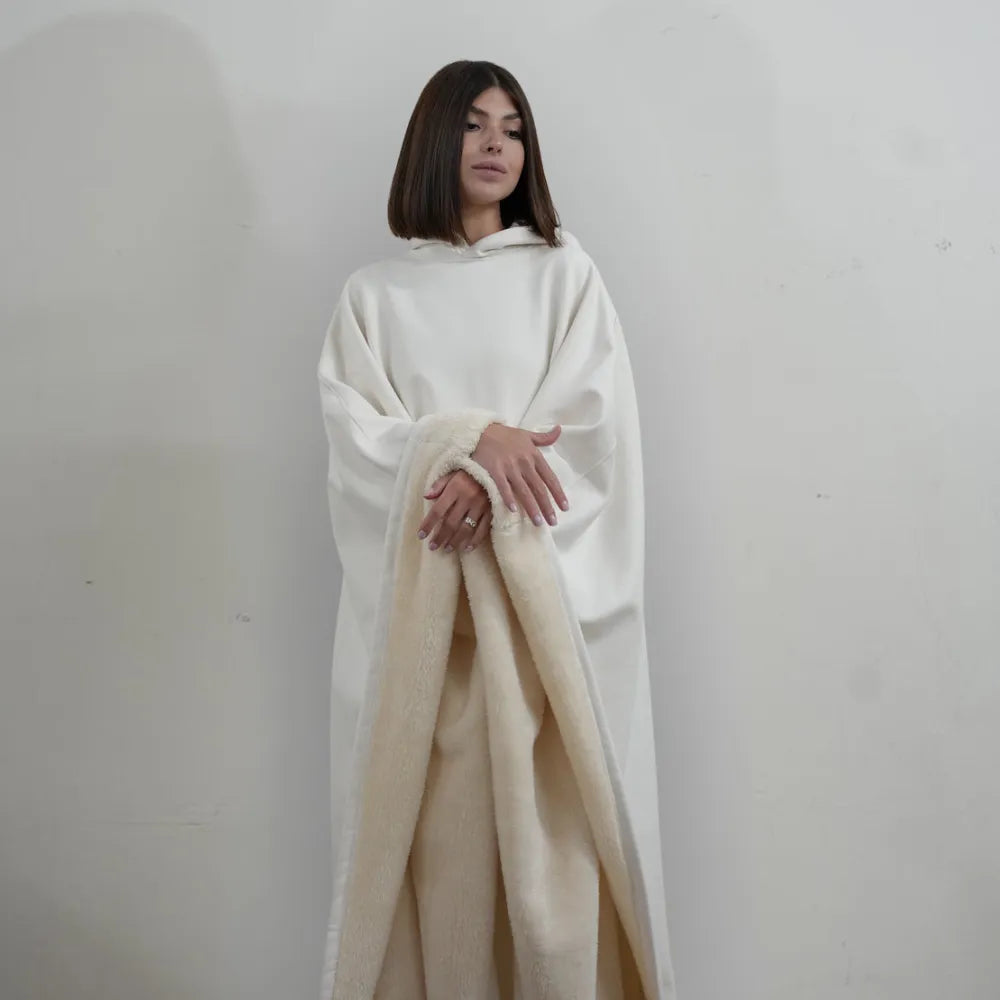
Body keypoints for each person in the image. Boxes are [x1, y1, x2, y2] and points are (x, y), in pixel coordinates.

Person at [317, 59, 677, 999]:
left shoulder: (565, 277)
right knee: (435, 859)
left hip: (538, 627)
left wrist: (486, 469)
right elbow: (357, 442)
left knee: (554, 864)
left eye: (513, 129)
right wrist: (471, 441)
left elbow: (591, 429)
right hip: (426, 633)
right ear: (434, 140)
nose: (495, 144)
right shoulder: (375, 297)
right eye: (475, 124)